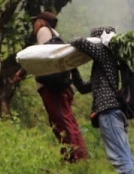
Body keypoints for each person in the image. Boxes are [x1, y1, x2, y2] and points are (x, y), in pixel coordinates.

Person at [71, 26, 134, 174]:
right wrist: (71, 68)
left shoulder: (105, 54)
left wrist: (70, 52)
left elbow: (78, 41)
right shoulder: (104, 65)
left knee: (119, 154)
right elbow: (83, 87)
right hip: (114, 111)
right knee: (125, 152)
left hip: (108, 111)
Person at [22, 12, 88, 163]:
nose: (34, 26)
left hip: (53, 88)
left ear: (41, 22)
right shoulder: (56, 36)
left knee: (62, 122)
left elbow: (43, 57)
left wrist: (22, 71)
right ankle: (81, 158)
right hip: (63, 86)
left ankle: (72, 159)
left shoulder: (44, 32)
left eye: (35, 22)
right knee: (68, 121)